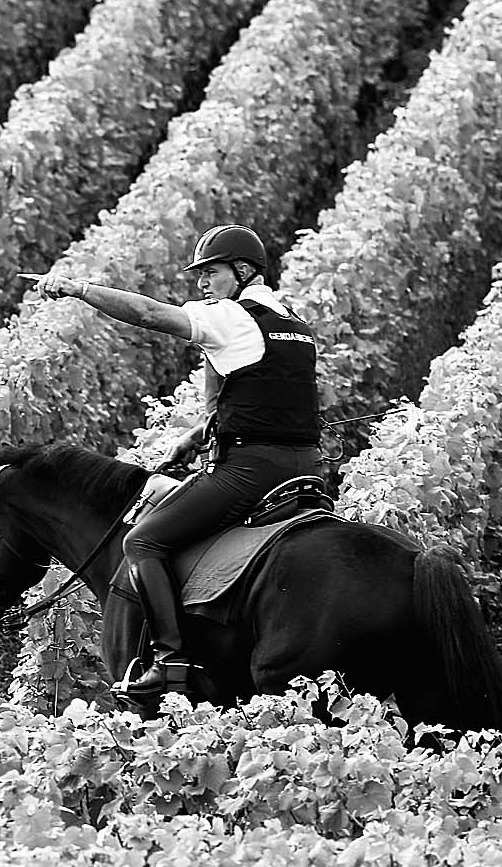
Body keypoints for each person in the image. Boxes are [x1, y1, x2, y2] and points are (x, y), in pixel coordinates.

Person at [33, 224, 322, 699]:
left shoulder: (231, 316)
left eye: (212, 272)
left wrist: (79, 289)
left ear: (243, 271)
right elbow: (267, 397)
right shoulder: (293, 323)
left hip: (250, 472)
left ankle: (171, 659)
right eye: (200, 275)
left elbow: (149, 313)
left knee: (143, 541)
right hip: (306, 468)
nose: (203, 283)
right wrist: (197, 433)